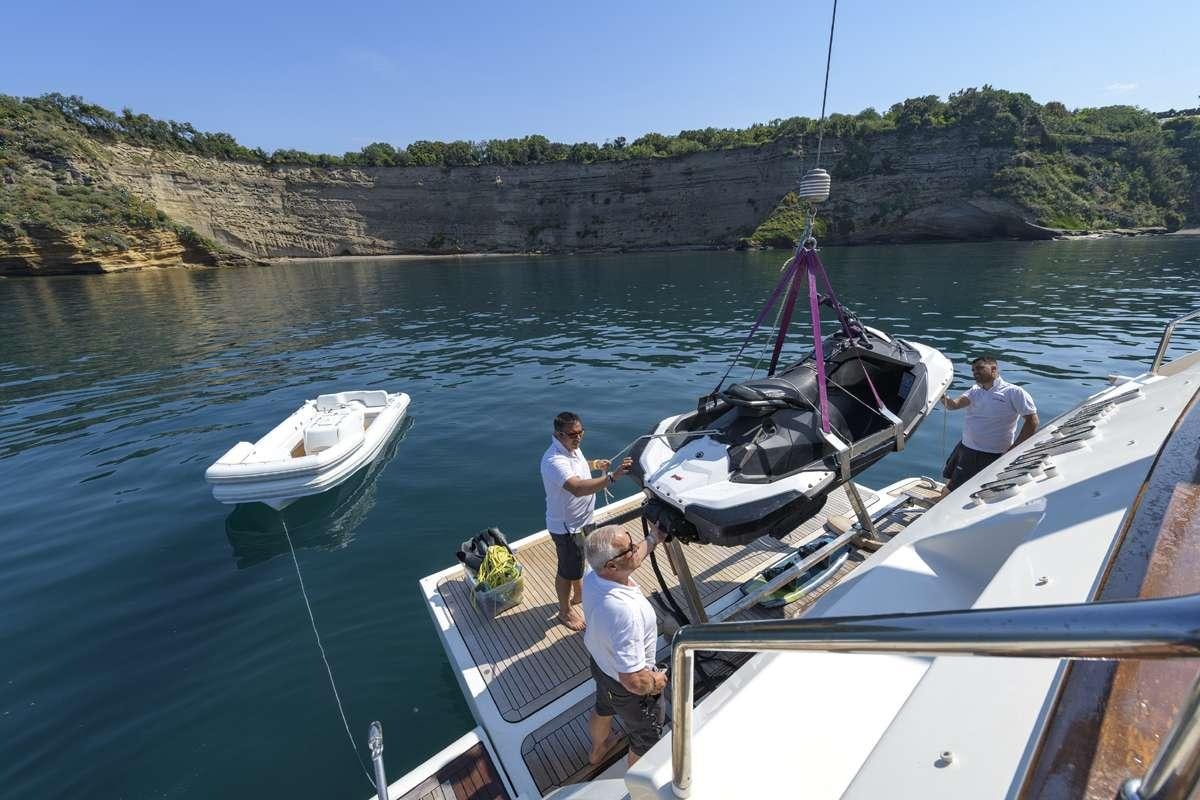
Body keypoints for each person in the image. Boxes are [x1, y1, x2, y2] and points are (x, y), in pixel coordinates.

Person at [582, 524, 667, 766]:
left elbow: (634, 556)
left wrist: (654, 538)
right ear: (611, 566)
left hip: (602, 666)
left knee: (604, 708)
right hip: (629, 686)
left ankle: (597, 751)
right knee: (645, 742)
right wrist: (654, 683)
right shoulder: (625, 611)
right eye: (629, 548)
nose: (635, 548)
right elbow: (633, 681)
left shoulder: (593, 574)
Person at [540, 412, 633, 631]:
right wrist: (612, 477)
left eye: (581, 432)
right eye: (573, 434)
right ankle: (565, 612)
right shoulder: (554, 460)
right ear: (558, 434)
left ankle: (579, 592)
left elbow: (579, 466)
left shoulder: (571, 448)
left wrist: (595, 464)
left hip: (584, 520)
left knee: (581, 560)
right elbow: (577, 488)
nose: (579, 437)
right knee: (567, 570)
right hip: (567, 528)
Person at [941, 355, 1039, 492]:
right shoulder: (975, 390)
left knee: (959, 489)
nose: (975, 372)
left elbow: (1032, 421)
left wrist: (1015, 448)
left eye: (980, 368)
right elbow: (953, 406)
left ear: (994, 369)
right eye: (973, 370)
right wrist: (941, 393)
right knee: (949, 479)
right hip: (965, 446)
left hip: (990, 453)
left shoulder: (1014, 392)